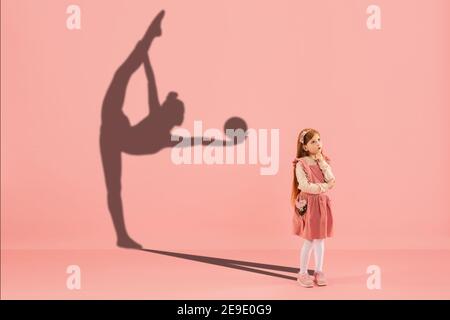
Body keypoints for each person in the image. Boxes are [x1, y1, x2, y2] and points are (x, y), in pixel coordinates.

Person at [291, 128, 336, 287]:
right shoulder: (301, 164)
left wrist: (322, 162)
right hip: (309, 203)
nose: (318, 144)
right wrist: (324, 187)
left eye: (319, 140)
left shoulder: (323, 161)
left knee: (320, 239)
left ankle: (319, 270)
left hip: (321, 204)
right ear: (305, 147)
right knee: (309, 239)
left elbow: (332, 179)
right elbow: (304, 185)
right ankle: (302, 273)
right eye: (313, 141)